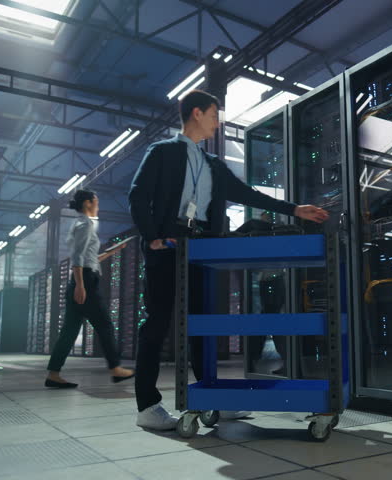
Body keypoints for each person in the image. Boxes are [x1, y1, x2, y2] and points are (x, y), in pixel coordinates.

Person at [128, 90, 330, 430]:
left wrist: (293, 209)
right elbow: (138, 194)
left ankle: (213, 397)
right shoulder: (163, 152)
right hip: (168, 245)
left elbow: (248, 194)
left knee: (204, 326)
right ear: (196, 113)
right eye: (213, 115)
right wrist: (153, 238)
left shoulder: (213, 165)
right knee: (158, 322)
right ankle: (147, 406)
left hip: (203, 248)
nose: (217, 123)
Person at [45, 189, 136, 388]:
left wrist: (112, 252)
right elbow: (77, 257)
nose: (98, 205)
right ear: (87, 203)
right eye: (96, 201)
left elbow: (89, 259)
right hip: (85, 281)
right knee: (105, 326)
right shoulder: (85, 224)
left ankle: (53, 374)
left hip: (81, 278)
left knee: (69, 331)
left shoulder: (80, 224)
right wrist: (81, 285)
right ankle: (115, 369)